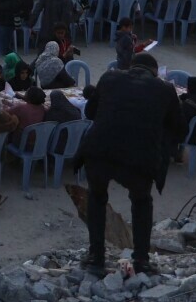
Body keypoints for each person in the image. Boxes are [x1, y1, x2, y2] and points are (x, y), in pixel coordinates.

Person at [78, 53, 184, 276]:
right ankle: (141, 260)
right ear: (154, 72)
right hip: (139, 156)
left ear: (130, 66)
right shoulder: (164, 89)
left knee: (96, 197)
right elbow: (179, 127)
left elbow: (90, 112)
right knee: (141, 202)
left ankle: (96, 257)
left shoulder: (109, 77)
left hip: (100, 149)